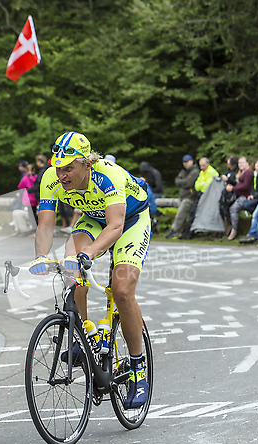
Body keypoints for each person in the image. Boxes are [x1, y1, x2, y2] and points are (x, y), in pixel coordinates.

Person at [29, 131, 151, 408]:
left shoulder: (109, 175)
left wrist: (89, 253)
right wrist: (40, 256)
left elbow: (116, 226)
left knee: (121, 290)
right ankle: (85, 336)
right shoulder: (50, 178)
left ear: (87, 164)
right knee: (71, 269)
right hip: (94, 219)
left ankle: (137, 369)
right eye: (58, 167)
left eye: (69, 168)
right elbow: (45, 224)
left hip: (130, 221)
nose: (61, 175)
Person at [179, 156, 219, 239]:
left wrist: (202, 184)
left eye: (203, 165)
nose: (202, 167)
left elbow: (207, 186)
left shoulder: (212, 172)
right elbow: (197, 186)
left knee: (195, 212)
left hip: (209, 196)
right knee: (192, 212)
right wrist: (202, 184)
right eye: (201, 165)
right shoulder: (202, 172)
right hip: (201, 195)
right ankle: (188, 232)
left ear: (208, 164)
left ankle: (191, 233)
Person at [165, 154, 199, 239]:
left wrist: (183, 182)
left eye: (187, 162)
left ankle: (174, 230)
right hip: (182, 198)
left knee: (181, 211)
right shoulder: (183, 171)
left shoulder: (195, 171)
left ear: (192, 161)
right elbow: (176, 181)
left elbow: (189, 183)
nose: (185, 164)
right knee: (162, 202)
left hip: (190, 199)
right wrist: (184, 182)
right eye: (184, 162)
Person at [225, 156, 253, 240]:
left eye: (242, 163)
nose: (240, 165)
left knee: (233, 209)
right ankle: (229, 227)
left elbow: (245, 186)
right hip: (238, 195)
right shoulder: (242, 172)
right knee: (226, 205)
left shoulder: (248, 172)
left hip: (245, 196)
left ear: (247, 163)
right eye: (239, 163)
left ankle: (234, 230)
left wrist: (233, 188)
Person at [17, 162, 38, 227]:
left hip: (28, 198)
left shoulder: (25, 178)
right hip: (36, 198)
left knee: (31, 215)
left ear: (26, 170)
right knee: (36, 214)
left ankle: (34, 228)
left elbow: (20, 186)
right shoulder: (37, 177)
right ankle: (38, 227)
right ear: (34, 170)